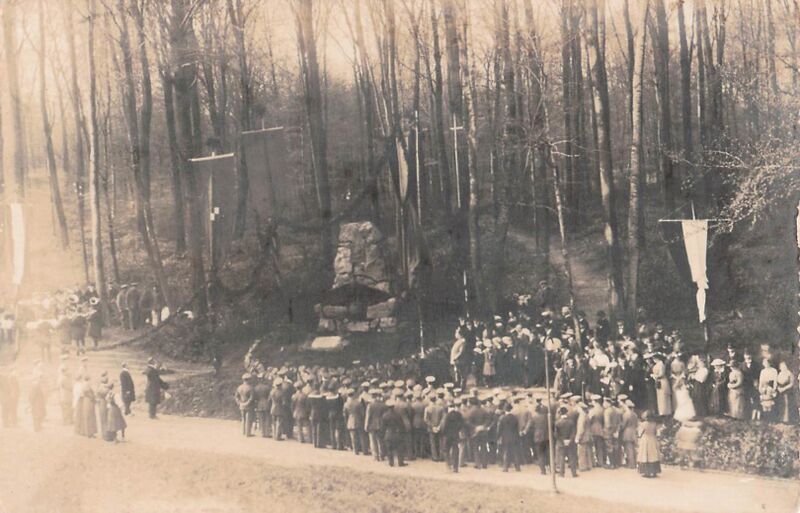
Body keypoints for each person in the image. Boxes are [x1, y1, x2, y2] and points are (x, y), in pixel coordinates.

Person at [438, 400, 465, 473]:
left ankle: (448, 466)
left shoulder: (447, 415)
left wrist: (442, 434)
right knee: (455, 450)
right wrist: (457, 430)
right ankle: (455, 468)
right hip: (455, 435)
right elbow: (462, 424)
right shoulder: (459, 414)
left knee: (446, 450)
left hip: (447, 436)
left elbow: (444, 426)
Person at [380, 399, 407, 467]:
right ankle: (400, 462)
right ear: (393, 406)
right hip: (397, 433)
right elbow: (402, 425)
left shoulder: (385, 415)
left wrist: (382, 435)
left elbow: (383, 427)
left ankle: (391, 463)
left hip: (388, 434)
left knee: (389, 449)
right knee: (399, 449)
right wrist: (402, 433)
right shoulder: (398, 414)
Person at [496, 402, 520, 472]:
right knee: (515, 452)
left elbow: (499, 430)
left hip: (505, 437)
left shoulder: (502, 418)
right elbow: (517, 428)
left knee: (506, 452)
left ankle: (505, 467)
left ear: (504, 409)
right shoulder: (515, 418)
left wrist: (498, 437)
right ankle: (517, 467)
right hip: (514, 437)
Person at [637, 411, 661, 478]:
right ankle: (654, 472)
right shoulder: (654, 423)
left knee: (645, 455)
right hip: (653, 439)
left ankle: (647, 472)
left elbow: (639, 433)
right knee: (653, 455)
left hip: (645, 439)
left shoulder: (643, 424)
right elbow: (657, 432)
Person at [554, 407, 577, 477]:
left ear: (560, 413)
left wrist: (562, 440)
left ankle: (561, 473)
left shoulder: (557, 422)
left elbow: (556, 434)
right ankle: (573, 473)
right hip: (570, 443)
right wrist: (570, 440)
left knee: (561, 458)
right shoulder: (571, 422)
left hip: (561, 443)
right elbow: (573, 432)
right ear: (567, 412)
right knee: (571, 458)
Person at [344, 388, 367, 454]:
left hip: (350, 421)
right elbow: (362, 413)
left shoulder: (346, 404)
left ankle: (355, 450)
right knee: (361, 436)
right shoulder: (358, 403)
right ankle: (364, 450)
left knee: (353, 437)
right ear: (354, 394)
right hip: (358, 420)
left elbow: (345, 414)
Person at [365, 389, 385, 460]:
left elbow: (368, 417)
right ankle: (382, 455)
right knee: (380, 440)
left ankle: (376, 456)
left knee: (373, 441)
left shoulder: (370, 405)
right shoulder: (382, 404)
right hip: (381, 423)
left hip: (372, 424)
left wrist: (366, 426)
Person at [776, 360, 798, 424]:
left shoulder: (789, 373)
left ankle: (788, 420)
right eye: (781, 366)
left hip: (788, 392)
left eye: (784, 366)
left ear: (786, 366)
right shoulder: (779, 373)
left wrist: (784, 389)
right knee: (780, 404)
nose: (783, 367)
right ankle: (781, 419)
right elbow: (777, 382)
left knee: (787, 404)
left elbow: (791, 384)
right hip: (780, 392)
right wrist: (778, 388)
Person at [424, 393, 445, 461]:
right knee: (440, 442)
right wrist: (439, 426)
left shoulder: (427, 408)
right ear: (436, 399)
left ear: (430, 400)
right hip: (440, 427)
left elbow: (426, 419)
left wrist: (432, 427)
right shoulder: (440, 408)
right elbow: (443, 418)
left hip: (431, 427)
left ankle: (435, 457)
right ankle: (441, 456)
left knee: (433, 443)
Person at [621, 399, 639, 469]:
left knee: (629, 449)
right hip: (634, 432)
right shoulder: (635, 414)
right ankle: (634, 463)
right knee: (633, 448)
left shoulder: (626, 414)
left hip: (627, 432)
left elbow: (623, 425)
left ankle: (631, 464)